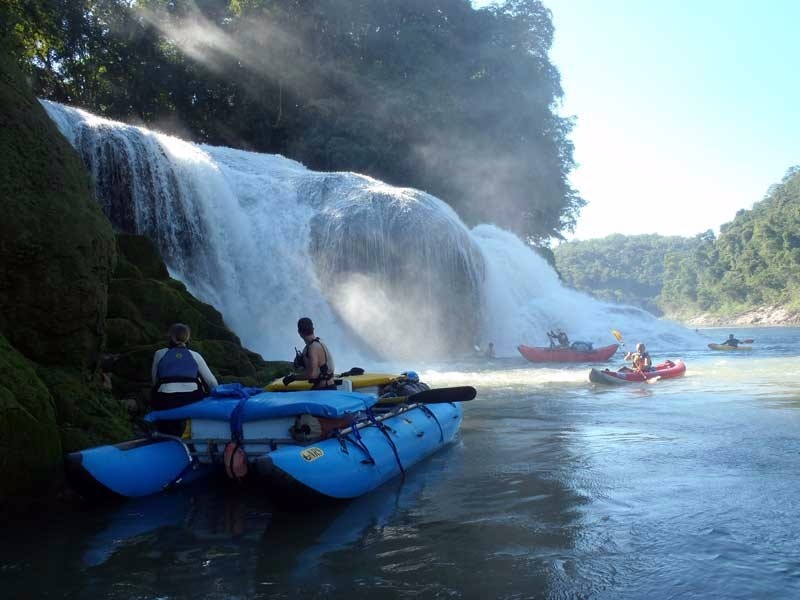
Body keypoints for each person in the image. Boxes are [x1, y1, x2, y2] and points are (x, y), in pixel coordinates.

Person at [151, 323, 218, 436]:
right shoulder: (195, 355)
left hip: (165, 400)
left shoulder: (159, 354)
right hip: (191, 399)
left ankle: (165, 434)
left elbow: (154, 380)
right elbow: (212, 382)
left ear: (171, 336)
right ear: (187, 338)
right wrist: (216, 398)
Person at [283, 317, 337, 390]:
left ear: (299, 332)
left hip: (324, 389)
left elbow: (312, 375)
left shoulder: (312, 347)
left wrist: (293, 377)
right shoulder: (319, 342)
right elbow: (319, 368)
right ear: (313, 329)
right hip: (329, 386)